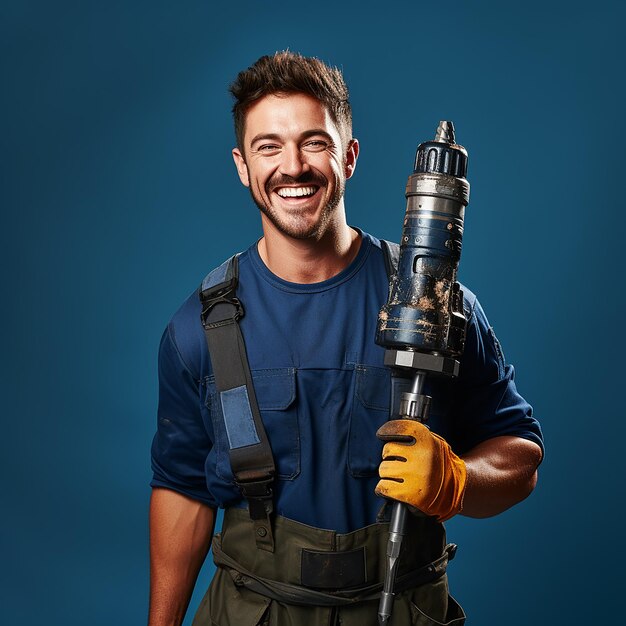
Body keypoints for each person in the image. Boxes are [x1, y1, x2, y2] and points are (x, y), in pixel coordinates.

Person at [148, 51, 544, 626]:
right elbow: (182, 490)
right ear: (242, 164)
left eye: (314, 142)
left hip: (399, 607)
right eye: (268, 146)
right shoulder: (200, 328)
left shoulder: (434, 303)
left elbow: (521, 457)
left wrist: (457, 482)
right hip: (253, 610)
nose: (293, 166)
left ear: (349, 157)